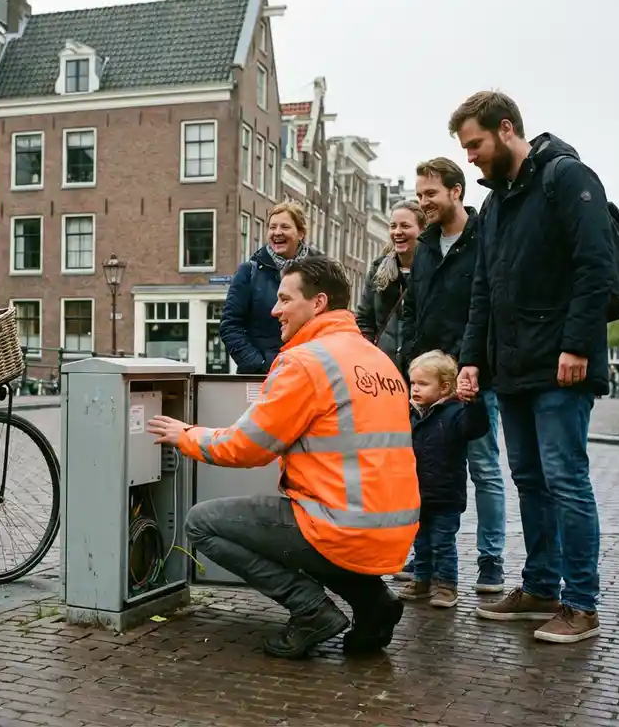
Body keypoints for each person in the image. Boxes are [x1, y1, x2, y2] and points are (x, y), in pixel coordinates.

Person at [148, 256, 419, 660]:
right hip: (392, 529)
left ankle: (311, 612)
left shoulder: (307, 361)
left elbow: (246, 447)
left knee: (201, 524)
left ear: (319, 303)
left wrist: (184, 435)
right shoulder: (379, 360)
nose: (275, 310)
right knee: (304, 522)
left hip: (341, 526)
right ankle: (373, 601)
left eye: (285, 299)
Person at [451, 90, 612, 643]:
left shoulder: (565, 177)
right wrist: (472, 359)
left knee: (566, 480)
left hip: (562, 364)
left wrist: (578, 344)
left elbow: (597, 265)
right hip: (513, 368)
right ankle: (541, 587)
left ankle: (582, 605)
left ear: (505, 128)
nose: (469, 156)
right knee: (529, 481)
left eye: (474, 144)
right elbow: (483, 292)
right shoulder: (495, 207)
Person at [400, 157, 507, 594]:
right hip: (429, 373)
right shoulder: (425, 245)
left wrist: (470, 362)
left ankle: (490, 560)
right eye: (420, 194)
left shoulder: (484, 237)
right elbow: (412, 307)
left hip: (472, 371)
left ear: (456, 191)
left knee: (483, 467)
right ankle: (426, 560)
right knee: (425, 466)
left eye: (431, 194)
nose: (424, 202)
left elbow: (489, 304)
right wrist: (410, 359)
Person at [398, 351, 490, 610]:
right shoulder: (412, 414)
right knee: (421, 542)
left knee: (443, 543)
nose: (415, 389)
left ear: (445, 387)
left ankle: (447, 585)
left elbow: (476, 427)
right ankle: (421, 581)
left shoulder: (456, 412)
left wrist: (474, 402)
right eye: (413, 383)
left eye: (423, 384)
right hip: (417, 494)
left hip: (446, 495)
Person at [219, 202, 317, 374]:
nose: (277, 232)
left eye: (285, 226)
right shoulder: (249, 272)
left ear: (301, 233)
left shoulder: (320, 271)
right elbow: (230, 326)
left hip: (309, 372)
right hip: (263, 376)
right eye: (272, 227)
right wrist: (260, 364)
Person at [355, 200, 426, 371]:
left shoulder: (434, 270)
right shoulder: (378, 270)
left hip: (422, 371)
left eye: (405, 226)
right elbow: (365, 318)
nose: (397, 232)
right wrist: (368, 354)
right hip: (384, 369)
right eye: (393, 226)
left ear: (423, 230)